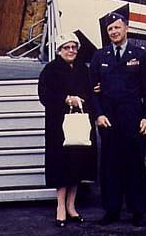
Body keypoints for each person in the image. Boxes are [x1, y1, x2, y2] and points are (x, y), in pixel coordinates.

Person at [90, 9, 146, 227]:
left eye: (117, 27)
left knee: (135, 165)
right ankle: (111, 210)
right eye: (110, 29)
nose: (114, 31)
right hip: (108, 121)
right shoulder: (100, 56)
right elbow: (92, 90)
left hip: (133, 120)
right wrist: (98, 114)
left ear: (126, 28)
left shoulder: (139, 55)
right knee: (110, 166)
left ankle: (138, 211)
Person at [38, 32, 97, 227]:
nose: (71, 51)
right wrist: (65, 98)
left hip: (79, 125)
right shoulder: (50, 70)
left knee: (77, 165)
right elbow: (44, 95)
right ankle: (60, 207)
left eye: (74, 47)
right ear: (59, 50)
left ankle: (72, 206)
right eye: (66, 48)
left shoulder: (83, 69)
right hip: (58, 126)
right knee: (61, 166)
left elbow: (90, 91)